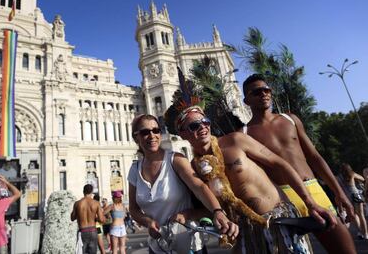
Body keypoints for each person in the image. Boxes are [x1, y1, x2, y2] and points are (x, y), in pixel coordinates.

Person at [167, 105, 336, 253]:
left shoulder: (235, 140)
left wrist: (310, 202)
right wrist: (187, 214)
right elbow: (215, 208)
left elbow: (280, 164)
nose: (203, 127)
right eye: (194, 125)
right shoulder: (194, 169)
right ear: (182, 134)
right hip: (247, 234)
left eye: (205, 121)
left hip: (279, 220)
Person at [242, 73, 356, 253]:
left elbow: (315, 157)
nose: (263, 94)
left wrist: (339, 192)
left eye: (266, 90)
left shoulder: (290, 119)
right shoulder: (245, 134)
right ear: (246, 100)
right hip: (282, 199)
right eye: (256, 92)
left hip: (313, 189)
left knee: (344, 249)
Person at [128, 114, 239, 254]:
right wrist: (148, 222)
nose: (152, 135)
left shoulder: (176, 159)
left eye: (156, 130)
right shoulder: (134, 169)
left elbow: (198, 186)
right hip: (158, 247)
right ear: (136, 137)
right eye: (145, 132)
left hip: (189, 245)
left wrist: (217, 212)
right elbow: (133, 209)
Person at [71, 184, 105, 254]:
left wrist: (79, 214)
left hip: (82, 231)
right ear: (92, 192)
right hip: (93, 231)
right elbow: (101, 219)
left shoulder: (77, 203)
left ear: (83, 191)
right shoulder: (96, 203)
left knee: (81, 252)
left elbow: (72, 218)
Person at [338, 163, 368, 239]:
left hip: (347, 197)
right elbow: (363, 179)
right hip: (356, 195)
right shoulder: (352, 174)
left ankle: (360, 232)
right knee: (361, 215)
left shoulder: (338, 178)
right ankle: (366, 234)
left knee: (354, 215)